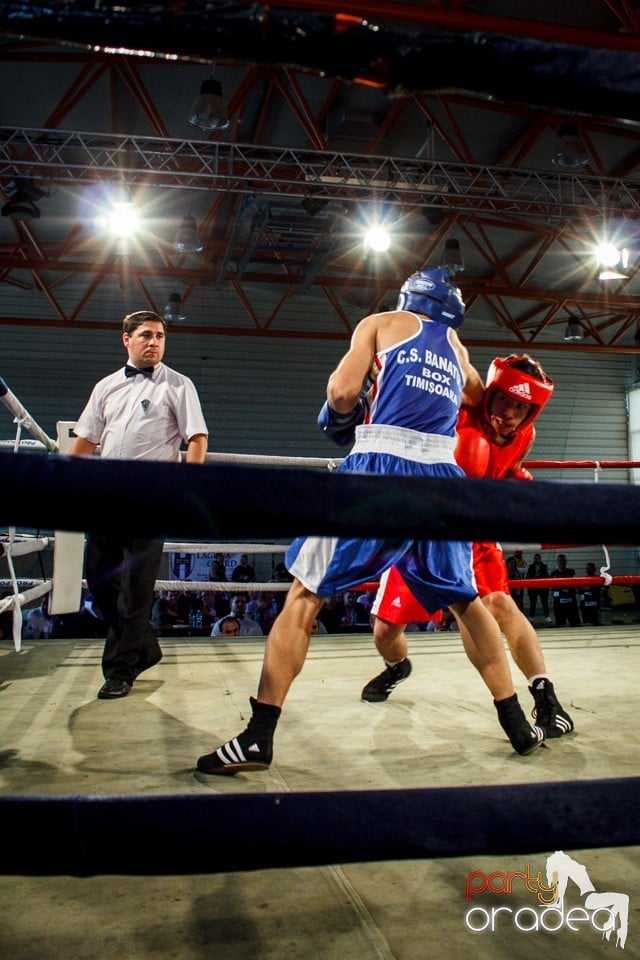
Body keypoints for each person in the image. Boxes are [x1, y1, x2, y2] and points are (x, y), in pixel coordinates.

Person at [196, 266, 544, 775]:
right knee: (467, 603)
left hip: (379, 466)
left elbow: (340, 395)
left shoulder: (379, 323)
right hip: (441, 476)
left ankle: (258, 736)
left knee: (305, 595)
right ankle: (516, 723)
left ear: (408, 297)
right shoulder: (456, 346)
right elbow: (482, 399)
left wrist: (352, 409)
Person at [362, 354, 573, 741]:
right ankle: (397, 667)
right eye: (503, 401)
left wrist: (515, 482)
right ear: (488, 394)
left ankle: (547, 698)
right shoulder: (455, 415)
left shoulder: (526, 436)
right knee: (385, 633)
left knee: (497, 606)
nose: (508, 413)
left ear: (532, 411)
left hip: (474, 533)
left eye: (520, 407)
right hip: (424, 533)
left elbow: (504, 469)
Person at [69, 309, 208, 699]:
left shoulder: (179, 385)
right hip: (106, 495)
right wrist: (58, 477)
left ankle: (120, 670)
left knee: (135, 587)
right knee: (98, 579)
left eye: (160, 336)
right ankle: (144, 647)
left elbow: (196, 438)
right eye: (146, 335)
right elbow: (86, 439)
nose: (154, 342)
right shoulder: (106, 386)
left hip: (153, 497)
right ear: (126, 339)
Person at [550, 553, 581, 627]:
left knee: (575, 624)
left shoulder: (571, 572)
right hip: (558, 602)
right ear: (557, 562)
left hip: (570, 602)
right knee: (560, 624)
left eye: (563, 560)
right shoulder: (554, 573)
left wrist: (561, 586)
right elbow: (552, 587)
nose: (561, 562)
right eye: (560, 560)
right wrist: (565, 586)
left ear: (566, 561)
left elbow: (574, 584)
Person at [526, 552, 551, 623]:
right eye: (535, 559)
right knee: (533, 603)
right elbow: (528, 576)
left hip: (542, 587)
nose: (536, 560)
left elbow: (547, 575)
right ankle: (531, 617)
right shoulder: (531, 566)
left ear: (540, 559)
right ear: (534, 560)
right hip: (533, 587)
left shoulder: (544, 566)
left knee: (544, 603)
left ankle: (547, 617)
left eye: (537, 559)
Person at [580, 561, 602, 626]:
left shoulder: (598, 578)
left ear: (594, 569)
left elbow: (595, 588)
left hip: (594, 604)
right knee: (586, 622)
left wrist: (585, 587)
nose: (588, 570)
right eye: (587, 568)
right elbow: (578, 589)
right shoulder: (584, 579)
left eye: (590, 568)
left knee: (595, 622)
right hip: (585, 604)